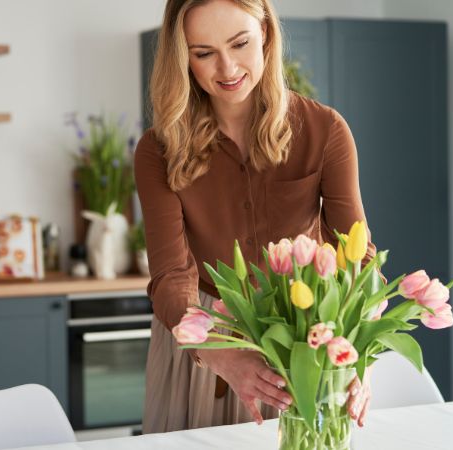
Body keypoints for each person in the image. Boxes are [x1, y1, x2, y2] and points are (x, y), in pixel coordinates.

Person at [134, 0, 383, 433]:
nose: (227, 68)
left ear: (266, 32)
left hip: (304, 329)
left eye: (240, 43)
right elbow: (170, 276)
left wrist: (355, 351)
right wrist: (220, 353)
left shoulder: (325, 131)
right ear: (182, 57)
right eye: (203, 53)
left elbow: (357, 259)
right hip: (204, 336)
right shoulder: (158, 151)